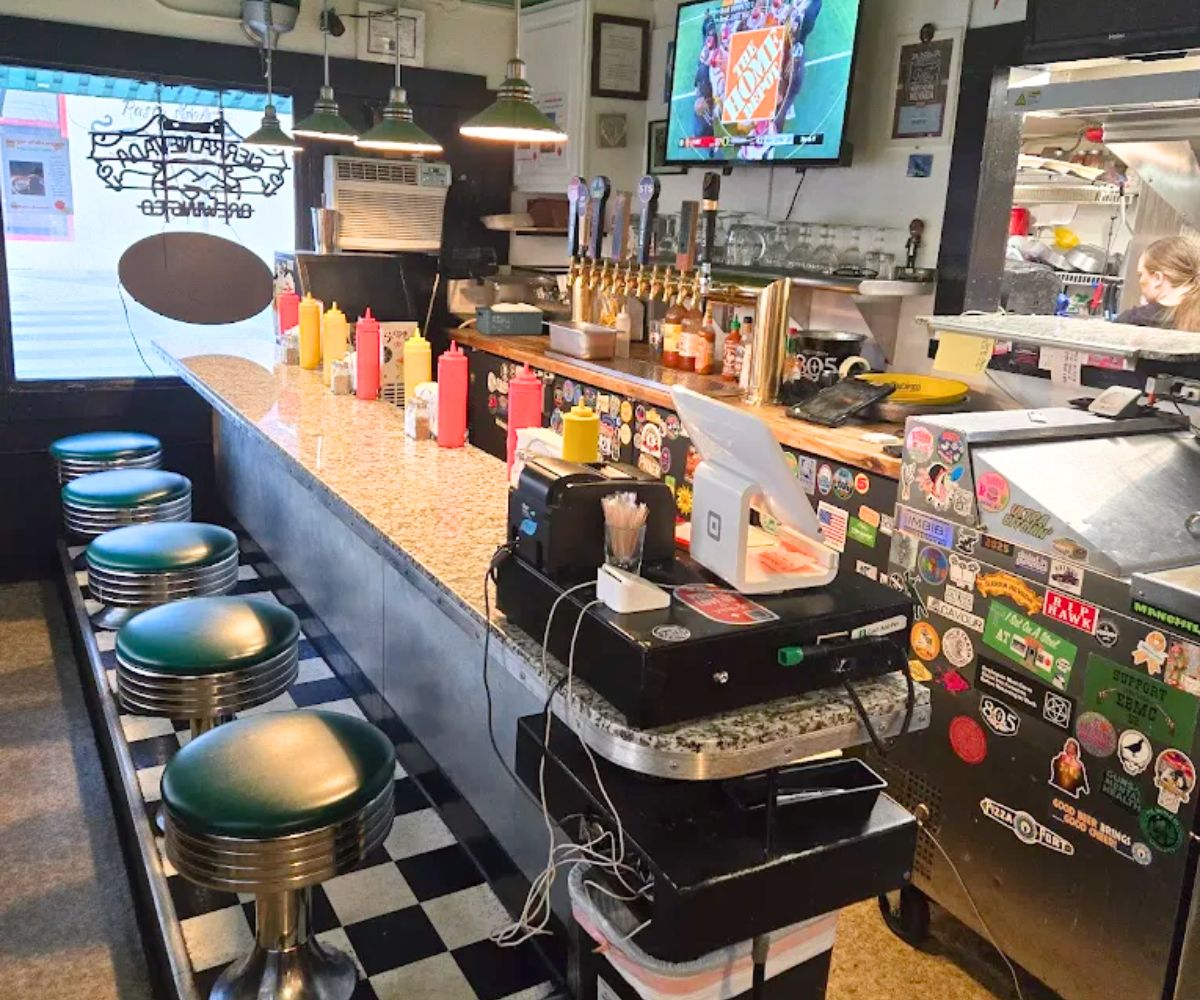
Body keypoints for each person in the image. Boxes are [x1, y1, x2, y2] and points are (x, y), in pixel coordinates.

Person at [1116, 235, 1200, 330]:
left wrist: (1148, 309)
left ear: (1157, 278)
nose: (1139, 281)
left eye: (1141, 275)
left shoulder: (1131, 321)